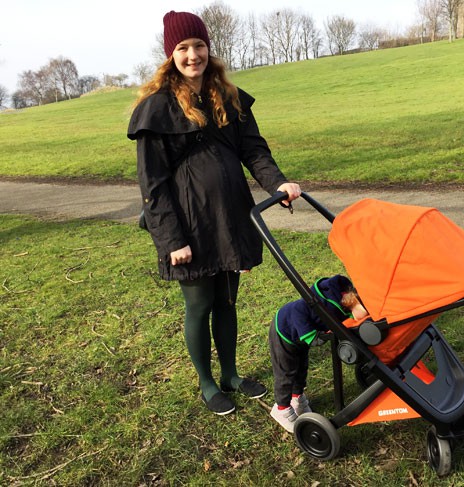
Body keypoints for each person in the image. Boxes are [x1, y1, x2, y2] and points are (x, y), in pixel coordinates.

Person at [127, 10, 301, 416]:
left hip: (230, 216)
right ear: (171, 54)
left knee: (227, 300)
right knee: (200, 304)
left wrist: (277, 183)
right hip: (188, 224)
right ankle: (207, 383)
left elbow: (254, 150)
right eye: (184, 48)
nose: (193, 55)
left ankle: (231, 374)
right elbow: (151, 183)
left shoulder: (228, 96)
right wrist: (171, 240)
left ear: (209, 48)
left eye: (199, 46)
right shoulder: (157, 108)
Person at [269, 275, 368, 432]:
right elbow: (297, 309)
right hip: (284, 330)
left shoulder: (343, 307)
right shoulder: (325, 302)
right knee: (286, 372)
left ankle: (297, 398)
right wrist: (309, 334)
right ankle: (281, 409)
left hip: (300, 339)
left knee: (301, 367)